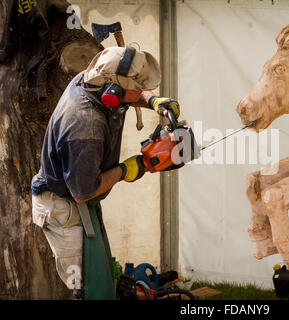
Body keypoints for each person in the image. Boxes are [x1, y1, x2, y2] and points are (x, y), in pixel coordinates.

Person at [30, 46, 180, 300]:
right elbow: (83, 192)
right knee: (86, 288)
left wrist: (153, 101)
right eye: (138, 87)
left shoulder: (92, 80)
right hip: (63, 207)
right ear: (114, 91)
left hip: (79, 197)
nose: (143, 90)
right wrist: (128, 169)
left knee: (101, 277)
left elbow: (131, 92)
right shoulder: (84, 124)